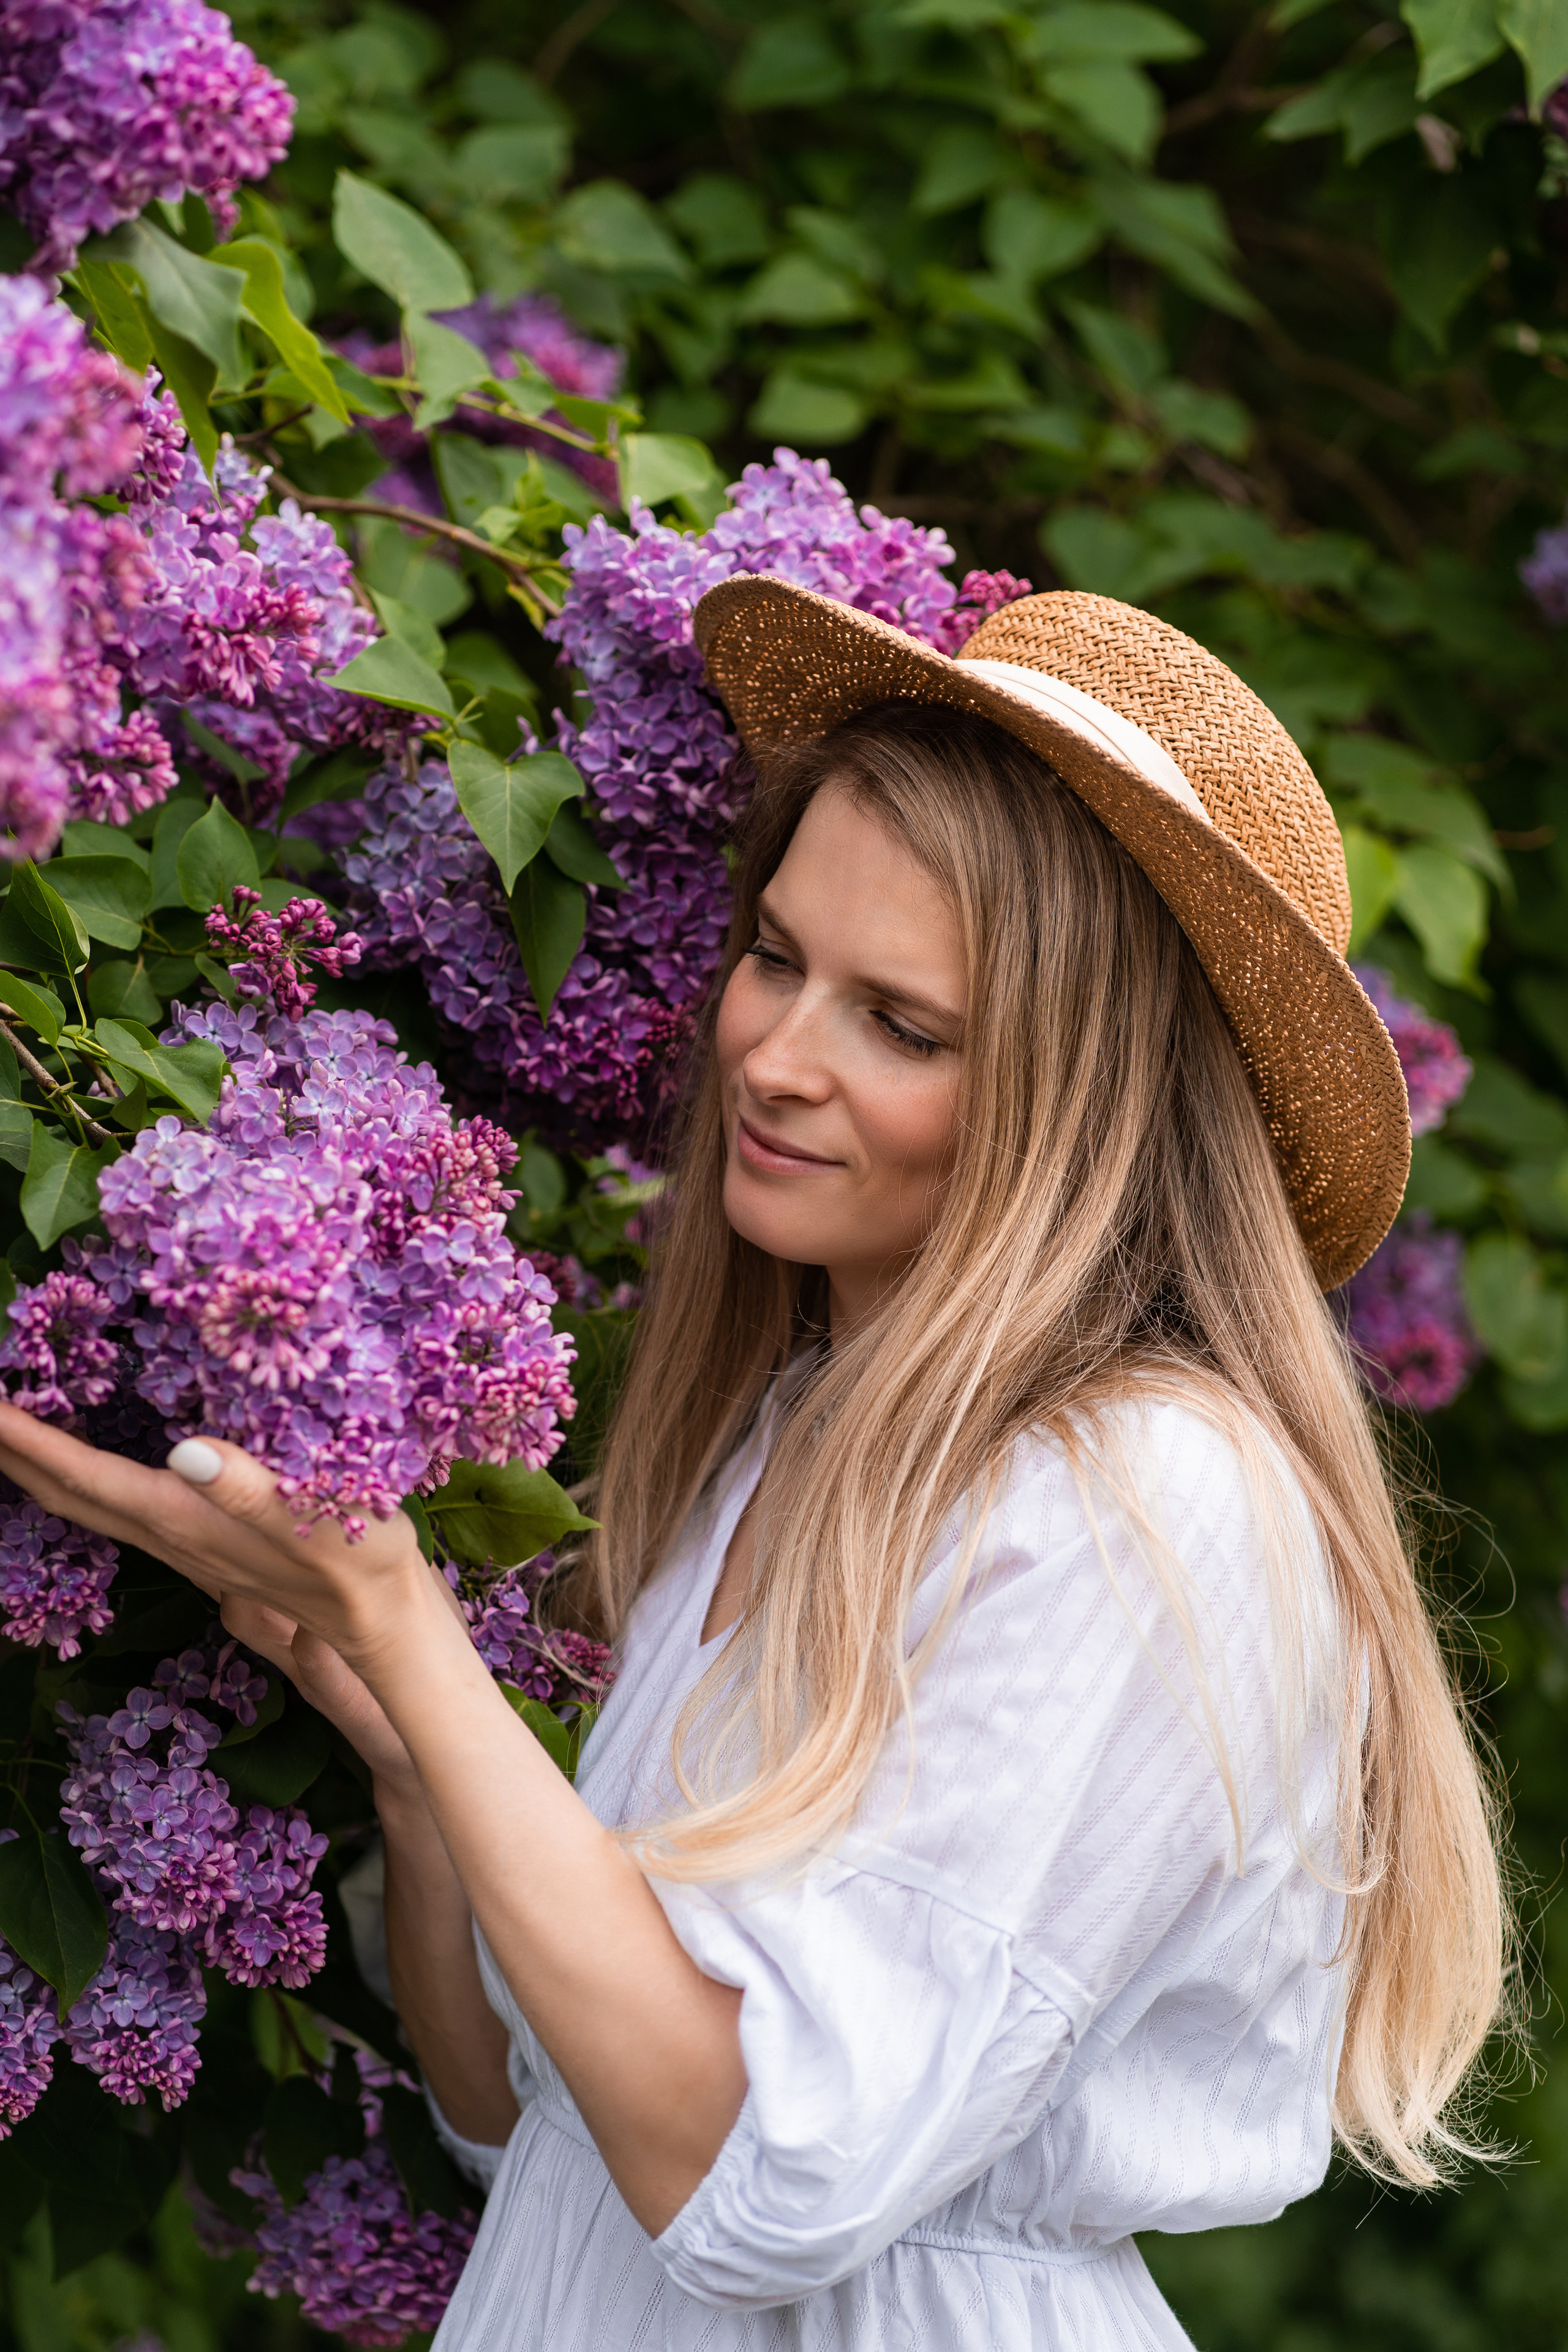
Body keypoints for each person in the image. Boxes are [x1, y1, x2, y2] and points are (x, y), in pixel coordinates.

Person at [0, 582, 1509, 2351]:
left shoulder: (1146, 1501)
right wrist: (413, 1754)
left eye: (905, 1026)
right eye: (778, 958)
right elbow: (526, 2123)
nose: (774, 1059)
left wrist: (416, 1635)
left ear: (1087, 1107)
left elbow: (754, 2176)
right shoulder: (800, 1433)